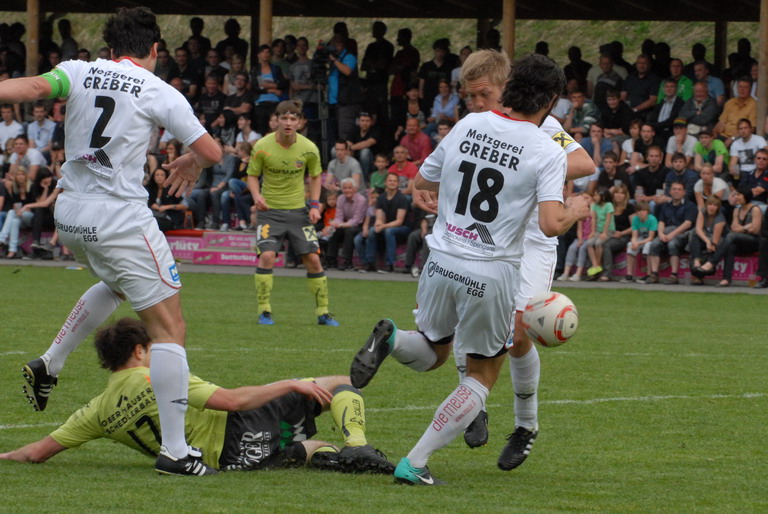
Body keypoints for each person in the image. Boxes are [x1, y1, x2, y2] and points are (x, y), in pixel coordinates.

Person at [349, 53, 590, 485]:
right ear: (551, 99)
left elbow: (424, 179)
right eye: (471, 95)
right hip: (493, 264)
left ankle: (395, 341)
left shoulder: (471, 126)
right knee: (484, 372)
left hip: (445, 256)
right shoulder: (541, 148)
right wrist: (575, 207)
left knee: (438, 349)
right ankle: (419, 458)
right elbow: (552, 222)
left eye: (484, 93)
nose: (477, 101)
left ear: (508, 86)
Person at [3, 7, 222, 476]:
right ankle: (176, 452)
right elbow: (211, 151)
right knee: (170, 330)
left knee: (118, 284)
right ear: (155, 49)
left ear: (109, 47)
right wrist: (193, 162)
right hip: (119, 217)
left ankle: (51, 362)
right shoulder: (157, 88)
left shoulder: (79, 70)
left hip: (70, 213)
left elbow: (35, 87)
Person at [0, 318, 394, 475]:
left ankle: (321, 454)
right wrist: (291, 383)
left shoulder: (97, 410)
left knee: (314, 448)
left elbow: (37, 452)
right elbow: (233, 401)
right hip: (241, 426)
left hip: (229, 463)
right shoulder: (158, 375)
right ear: (139, 351)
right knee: (339, 384)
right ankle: (357, 444)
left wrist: (5, 457)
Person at [246, 99, 338, 327]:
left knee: (313, 259)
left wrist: (314, 205)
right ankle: (264, 311)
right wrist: (256, 196)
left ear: (300, 122)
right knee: (267, 256)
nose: (288, 123)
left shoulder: (309, 148)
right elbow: (252, 175)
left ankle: (323, 313)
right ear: (276, 120)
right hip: (269, 213)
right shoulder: (262, 146)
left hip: (299, 212)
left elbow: (315, 177)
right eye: (284, 118)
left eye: (293, 119)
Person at [692, 185, 761, 287]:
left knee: (730, 236)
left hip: (754, 241)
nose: (736, 197)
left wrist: (742, 228)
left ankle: (711, 263)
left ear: (745, 195)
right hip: (740, 239)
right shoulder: (737, 210)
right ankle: (726, 279)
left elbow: (755, 230)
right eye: (735, 194)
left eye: (738, 195)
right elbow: (734, 228)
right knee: (730, 246)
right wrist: (747, 227)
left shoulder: (755, 209)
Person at [646, 181, 697, 284]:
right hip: (666, 232)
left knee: (672, 244)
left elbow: (687, 224)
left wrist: (671, 235)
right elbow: (661, 222)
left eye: (679, 189)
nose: (676, 191)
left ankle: (674, 275)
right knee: (654, 244)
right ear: (670, 192)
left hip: (682, 234)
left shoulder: (690, 206)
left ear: (684, 192)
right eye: (674, 189)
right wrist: (660, 233)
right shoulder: (665, 206)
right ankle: (654, 274)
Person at [361, 171, 410, 273]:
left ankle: (389, 264)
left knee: (389, 231)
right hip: (387, 226)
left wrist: (383, 226)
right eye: (390, 180)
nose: (392, 183)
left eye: (395, 181)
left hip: (403, 228)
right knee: (372, 231)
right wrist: (378, 224)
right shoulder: (381, 198)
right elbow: (379, 217)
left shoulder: (402, 198)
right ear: (385, 183)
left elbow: (399, 221)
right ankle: (370, 263)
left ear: (398, 184)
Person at [326, 177, 366, 270]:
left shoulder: (361, 200)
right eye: (344, 188)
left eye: (349, 188)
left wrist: (341, 224)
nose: (347, 190)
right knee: (333, 230)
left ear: (355, 189)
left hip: (359, 225)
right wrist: (335, 224)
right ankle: (331, 259)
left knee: (349, 231)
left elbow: (356, 220)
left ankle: (346, 260)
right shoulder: (340, 198)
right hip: (345, 223)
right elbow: (339, 217)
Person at [688, 196, 726, 285]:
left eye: (715, 205)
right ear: (706, 205)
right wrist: (707, 241)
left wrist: (709, 243)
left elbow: (715, 242)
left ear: (718, 208)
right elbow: (698, 229)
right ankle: (696, 261)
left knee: (709, 248)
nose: (712, 207)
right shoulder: (702, 212)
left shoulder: (720, 219)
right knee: (693, 234)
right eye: (710, 204)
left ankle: (701, 273)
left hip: (719, 241)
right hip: (706, 238)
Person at [600, 184, 635, 281]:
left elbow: (634, 227)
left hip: (624, 235)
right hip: (610, 233)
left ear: (625, 195)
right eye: (616, 193)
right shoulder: (610, 206)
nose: (618, 195)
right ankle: (595, 271)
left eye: (621, 193)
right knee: (595, 242)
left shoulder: (629, 207)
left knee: (606, 245)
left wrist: (621, 233)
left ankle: (607, 273)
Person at [621, 200, 657, 283]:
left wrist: (638, 243)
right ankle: (629, 274)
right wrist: (634, 243)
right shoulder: (635, 219)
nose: (641, 213)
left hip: (651, 239)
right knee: (630, 245)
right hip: (642, 238)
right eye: (639, 211)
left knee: (648, 246)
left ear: (647, 211)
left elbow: (651, 237)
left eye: (643, 210)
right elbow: (634, 235)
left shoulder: (652, 219)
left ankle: (649, 274)